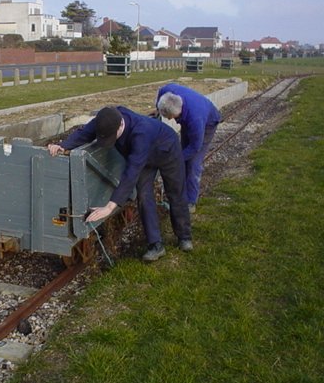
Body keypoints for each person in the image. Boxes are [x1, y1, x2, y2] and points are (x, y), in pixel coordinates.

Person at [47, 106, 192, 261]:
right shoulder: (106, 119)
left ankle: (184, 237)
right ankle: (155, 245)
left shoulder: (141, 133)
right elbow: (84, 133)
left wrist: (110, 206)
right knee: (143, 196)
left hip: (167, 150)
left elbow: (131, 172)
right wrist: (63, 145)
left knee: (176, 192)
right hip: (142, 159)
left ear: (121, 125)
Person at [156, 83, 221, 213]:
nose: (172, 121)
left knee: (192, 163)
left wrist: (176, 158)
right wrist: (157, 109)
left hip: (208, 123)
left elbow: (195, 147)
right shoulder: (168, 91)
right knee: (182, 153)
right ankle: (180, 190)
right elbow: (161, 90)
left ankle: (191, 202)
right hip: (191, 116)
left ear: (178, 113)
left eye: (172, 118)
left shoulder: (195, 120)